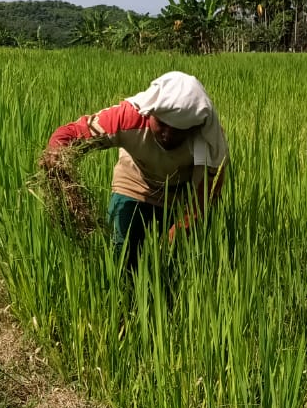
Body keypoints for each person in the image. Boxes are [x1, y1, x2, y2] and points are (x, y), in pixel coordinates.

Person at [39, 70, 228, 270]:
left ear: (193, 127)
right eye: (162, 124)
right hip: (135, 183)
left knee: (178, 261)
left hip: (180, 195)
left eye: (178, 130)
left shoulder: (208, 141)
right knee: (122, 254)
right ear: (150, 114)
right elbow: (73, 133)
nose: (167, 135)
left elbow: (201, 203)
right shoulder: (128, 117)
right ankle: (124, 295)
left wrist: (168, 243)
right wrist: (56, 155)